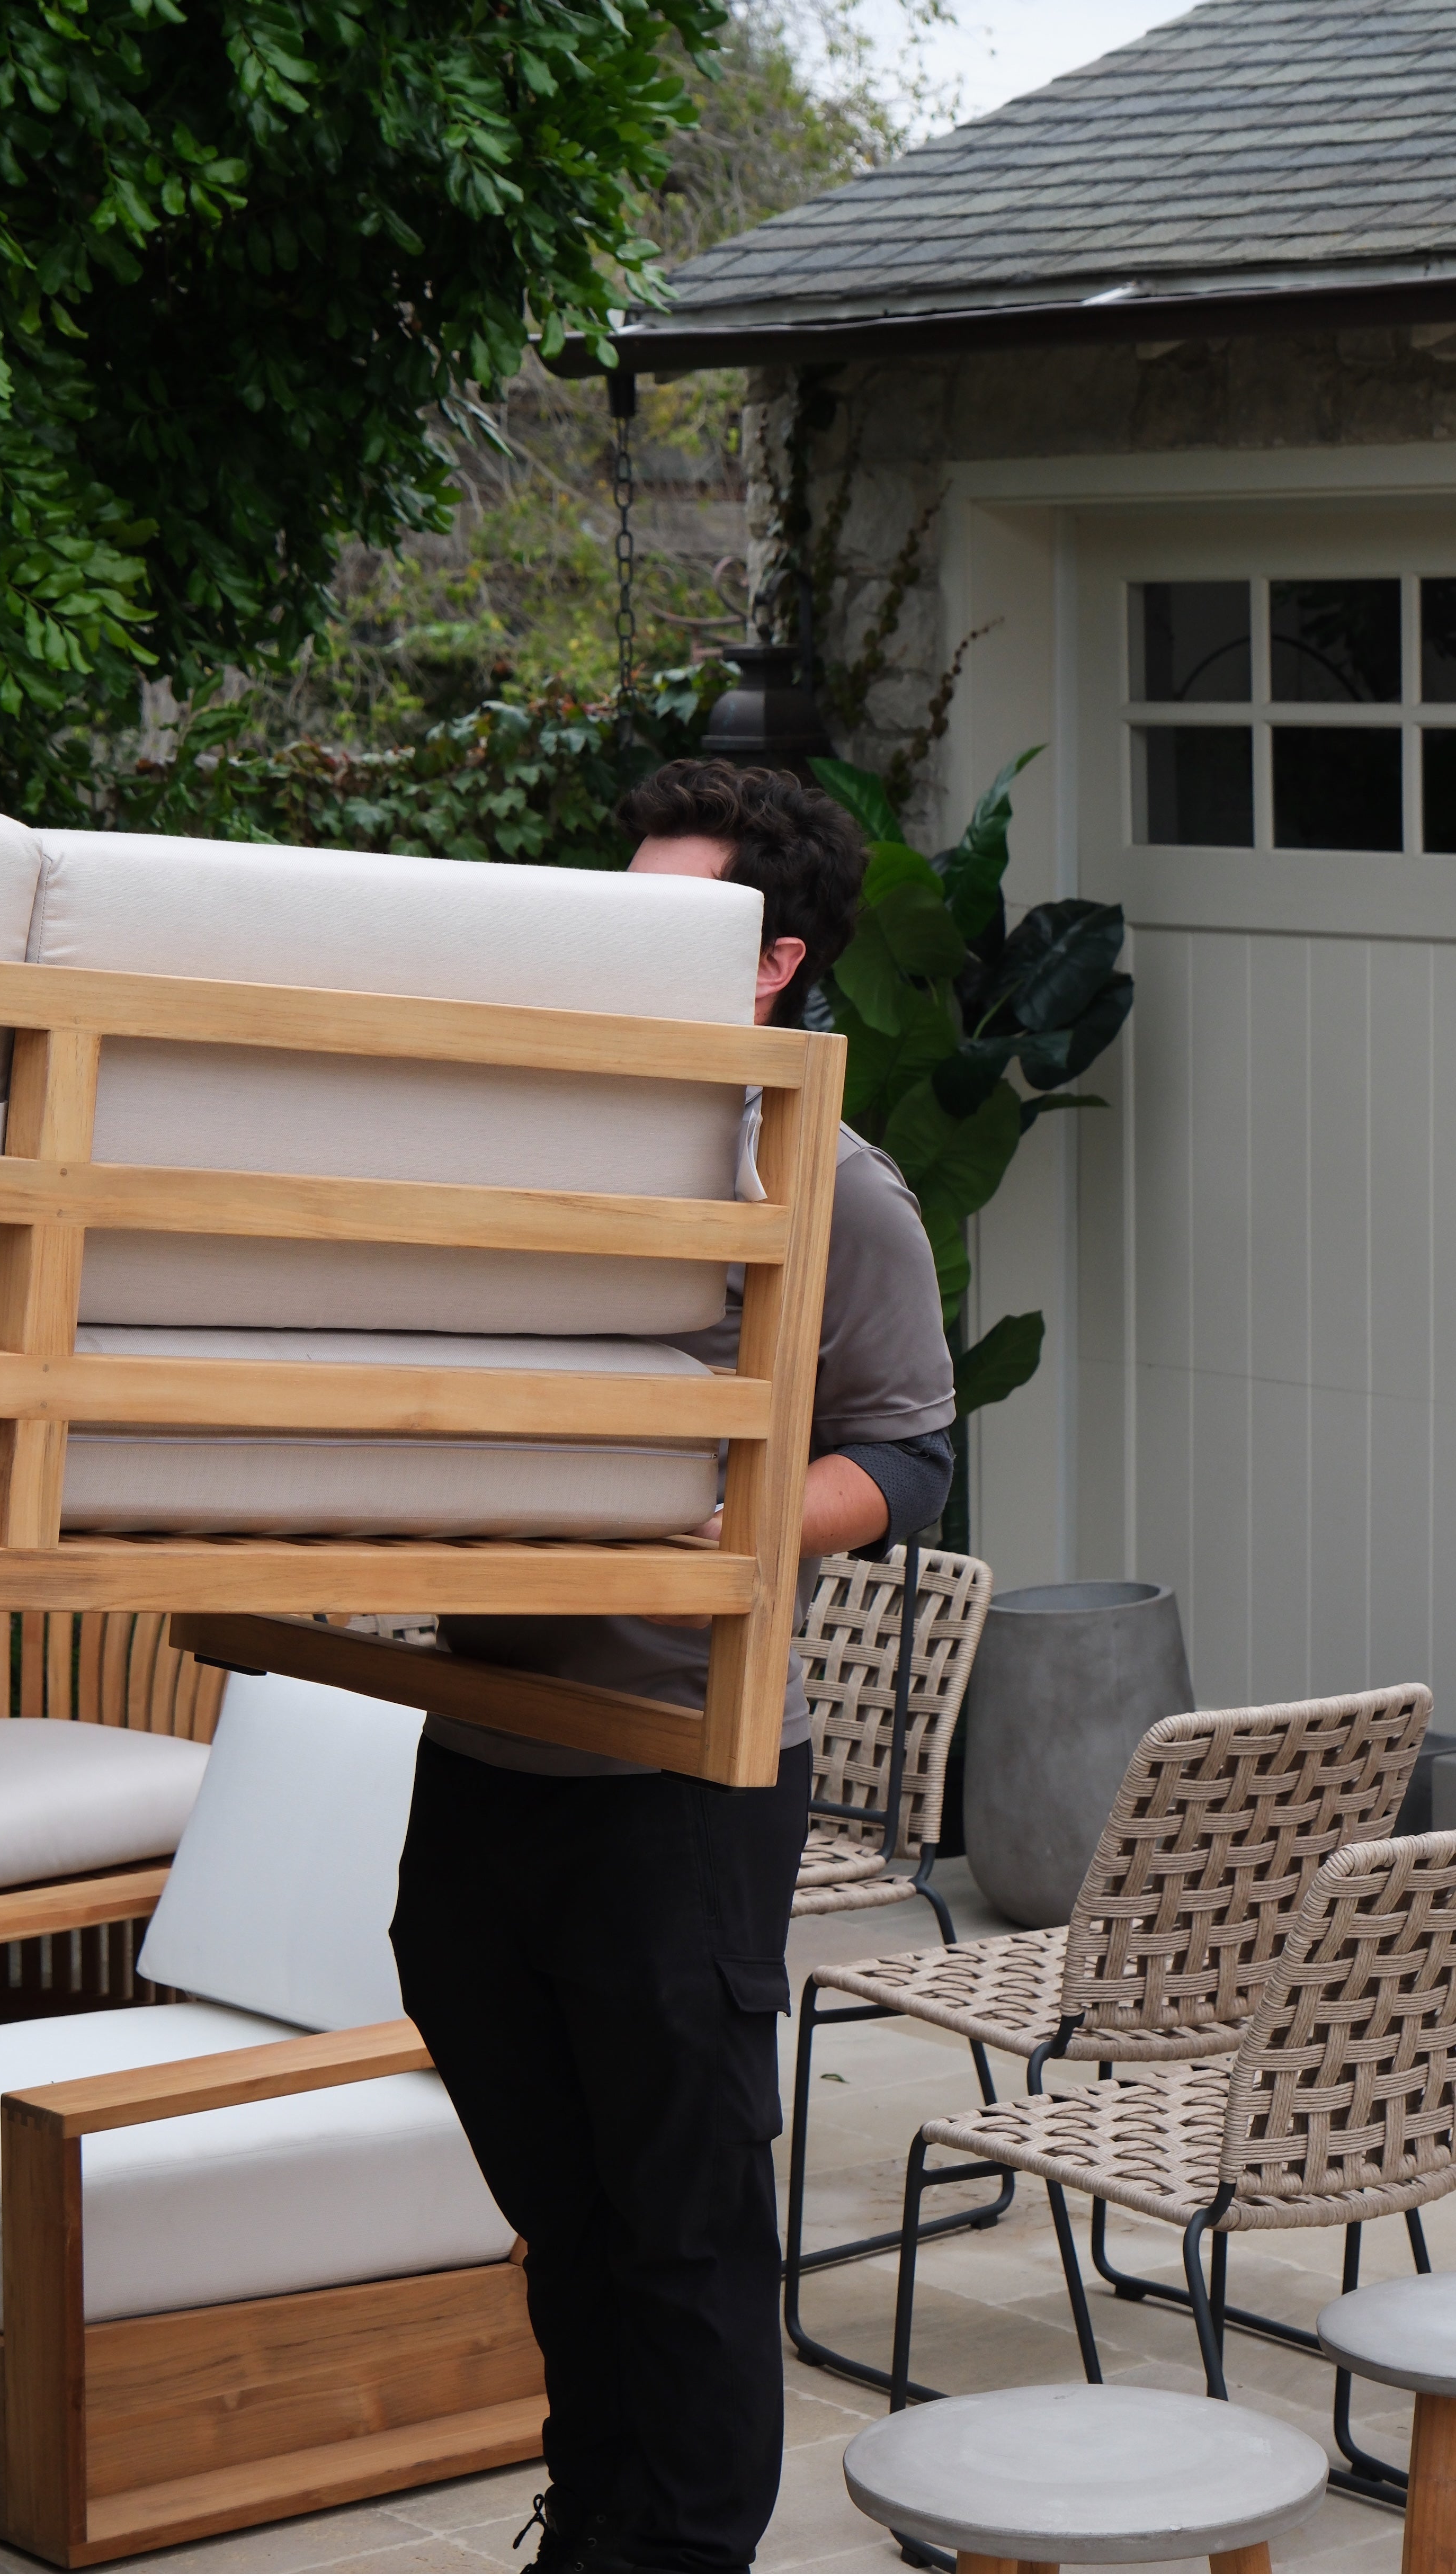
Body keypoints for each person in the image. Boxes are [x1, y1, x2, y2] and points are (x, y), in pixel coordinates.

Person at [389, 759, 956, 2574]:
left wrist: (698, 1525)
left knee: (685, 2218)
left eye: (675, 915)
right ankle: (603, 2520)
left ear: (775, 961)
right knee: (559, 2205)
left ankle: (686, 2548)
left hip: (680, 1780)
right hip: (489, 1743)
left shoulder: (838, 1189)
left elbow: (909, 1453)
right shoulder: (552, 1132)